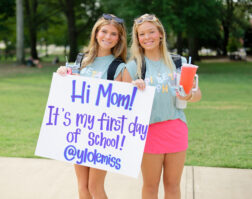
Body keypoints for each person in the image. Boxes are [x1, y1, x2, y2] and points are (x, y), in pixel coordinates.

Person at [123, 14, 201, 199]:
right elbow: (123, 105)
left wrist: (188, 94)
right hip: (148, 131)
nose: (147, 37)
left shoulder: (178, 62)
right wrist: (134, 91)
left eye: (151, 32)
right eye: (142, 34)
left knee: (173, 186)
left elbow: (197, 95)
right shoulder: (133, 67)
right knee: (150, 186)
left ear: (160, 34)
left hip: (176, 128)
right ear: (138, 39)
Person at [57, 13, 127, 199]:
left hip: (103, 135)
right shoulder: (82, 60)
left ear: (119, 39)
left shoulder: (119, 67)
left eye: (114, 34)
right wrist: (63, 72)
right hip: (80, 130)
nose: (108, 36)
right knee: (82, 187)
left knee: (95, 187)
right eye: (104, 31)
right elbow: (69, 90)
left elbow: (125, 105)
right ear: (96, 33)